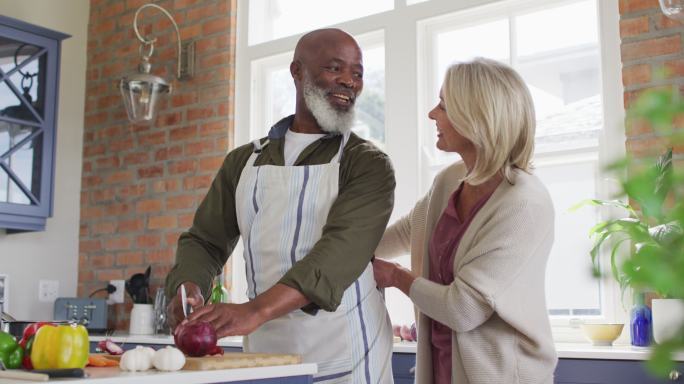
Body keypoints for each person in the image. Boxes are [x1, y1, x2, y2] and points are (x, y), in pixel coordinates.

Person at [164, 28, 396, 383]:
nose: (349, 81)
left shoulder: (367, 164)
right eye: (335, 68)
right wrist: (186, 287)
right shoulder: (243, 161)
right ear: (297, 71)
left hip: (347, 353)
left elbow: (336, 257)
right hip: (265, 356)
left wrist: (254, 311)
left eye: (358, 73)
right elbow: (205, 240)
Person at [372, 58, 557, 384]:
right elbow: (405, 232)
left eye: (443, 105)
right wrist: (341, 245)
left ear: (477, 117)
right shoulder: (450, 180)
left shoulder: (523, 205)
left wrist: (395, 276)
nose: (432, 114)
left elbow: (463, 308)